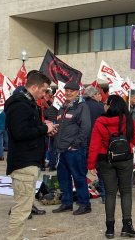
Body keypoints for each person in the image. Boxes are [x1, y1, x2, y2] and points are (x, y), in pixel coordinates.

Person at [5, 70, 56, 240]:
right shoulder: (20, 105)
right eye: (43, 90)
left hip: (28, 161)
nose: (44, 94)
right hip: (24, 163)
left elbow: (26, 127)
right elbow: (20, 132)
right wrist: (44, 128)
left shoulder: (26, 104)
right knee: (22, 210)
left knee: (23, 208)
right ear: (34, 87)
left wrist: (43, 127)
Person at [88, 95, 135, 238]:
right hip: (125, 159)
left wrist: (91, 164)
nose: (104, 105)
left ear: (110, 105)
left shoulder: (100, 121)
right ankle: (127, 226)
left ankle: (110, 229)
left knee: (110, 193)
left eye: (106, 103)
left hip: (105, 160)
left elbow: (94, 144)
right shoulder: (129, 119)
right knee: (126, 192)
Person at [52, 81, 92, 215]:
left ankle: (85, 204)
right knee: (63, 178)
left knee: (79, 177)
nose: (68, 93)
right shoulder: (62, 107)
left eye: (71, 91)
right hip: (61, 150)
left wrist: (75, 145)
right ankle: (67, 203)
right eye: (67, 90)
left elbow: (85, 128)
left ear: (77, 92)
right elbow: (62, 126)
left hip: (74, 150)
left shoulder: (81, 106)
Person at [83, 86, 106, 201]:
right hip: (98, 141)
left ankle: (83, 196)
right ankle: (104, 195)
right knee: (101, 169)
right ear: (93, 95)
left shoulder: (81, 106)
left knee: (82, 170)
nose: (100, 96)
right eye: (98, 94)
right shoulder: (101, 107)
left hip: (84, 141)